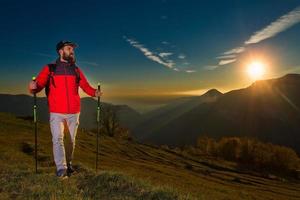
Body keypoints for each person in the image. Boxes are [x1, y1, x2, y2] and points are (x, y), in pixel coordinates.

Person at [28, 40, 102, 178]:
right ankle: (61, 169)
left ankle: (68, 164)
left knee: (71, 141)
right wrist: (32, 87)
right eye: (69, 48)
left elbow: (85, 86)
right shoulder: (50, 69)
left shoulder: (76, 70)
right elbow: (38, 85)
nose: (72, 51)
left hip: (74, 112)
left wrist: (94, 93)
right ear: (61, 51)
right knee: (57, 139)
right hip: (56, 111)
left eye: (72, 49)